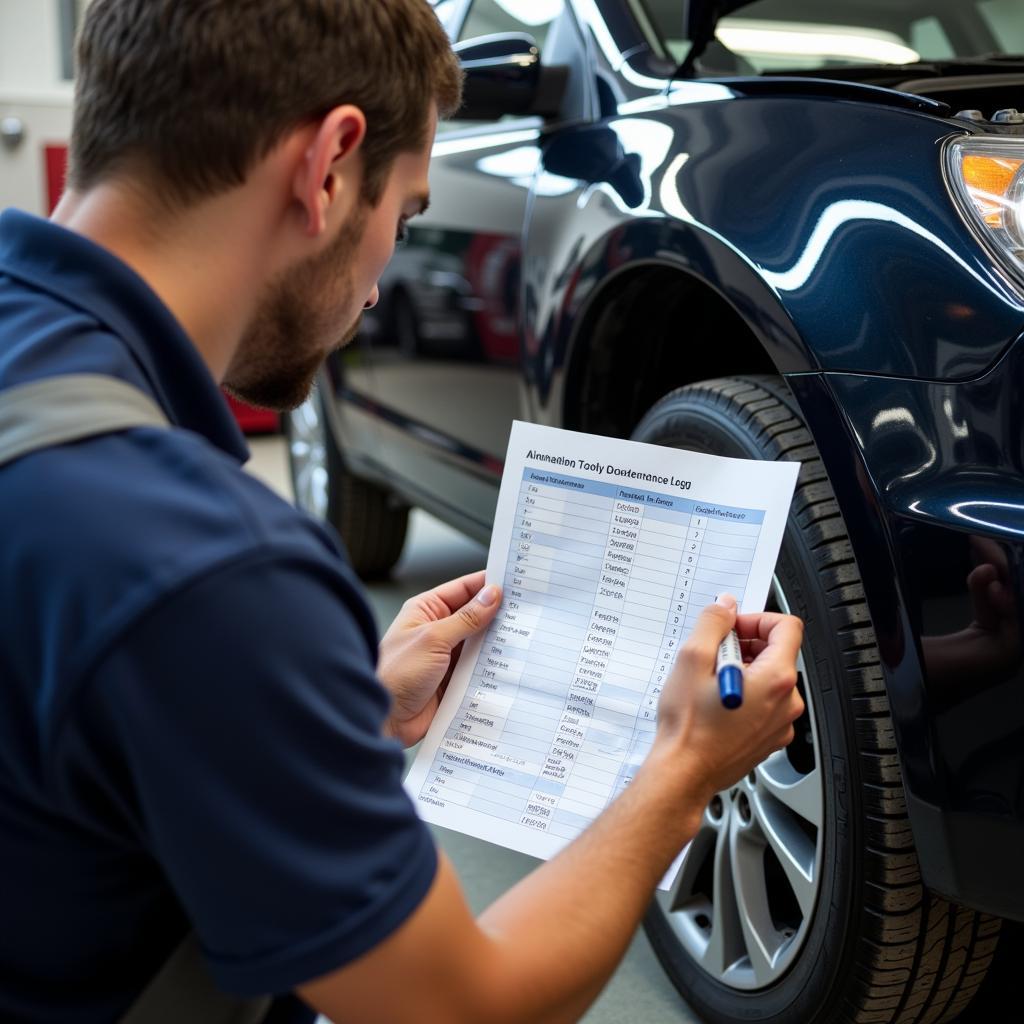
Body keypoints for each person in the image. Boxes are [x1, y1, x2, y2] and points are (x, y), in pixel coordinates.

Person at [0, 1, 805, 1021]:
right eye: (407, 213)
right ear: (330, 165)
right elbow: (458, 1007)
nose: (381, 285)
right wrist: (681, 772)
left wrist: (341, 711)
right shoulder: (208, 568)